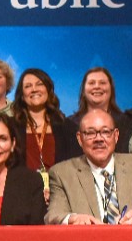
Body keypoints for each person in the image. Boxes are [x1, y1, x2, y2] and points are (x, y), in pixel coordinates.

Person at [45, 109, 132, 226]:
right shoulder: (62, 173)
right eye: (90, 133)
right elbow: (53, 216)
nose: (99, 139)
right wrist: (73, 218)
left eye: (105, 132)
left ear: (116, 136)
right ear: (79, 139)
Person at [11, 68, 80, 200]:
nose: (34, 89)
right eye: (28, 86)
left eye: (39, 84)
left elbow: (76, 168)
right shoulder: (10, 128)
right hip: (21, 198)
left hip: (60, 198)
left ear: (48, 90)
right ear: (21, 95)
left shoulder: (67, 127)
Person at [67, 66, 132, 137]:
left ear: (111, 89)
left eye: (102, 83)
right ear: (83, 91)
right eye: (91, 83)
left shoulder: (126, 123)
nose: (97, 86)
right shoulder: (70, 124)